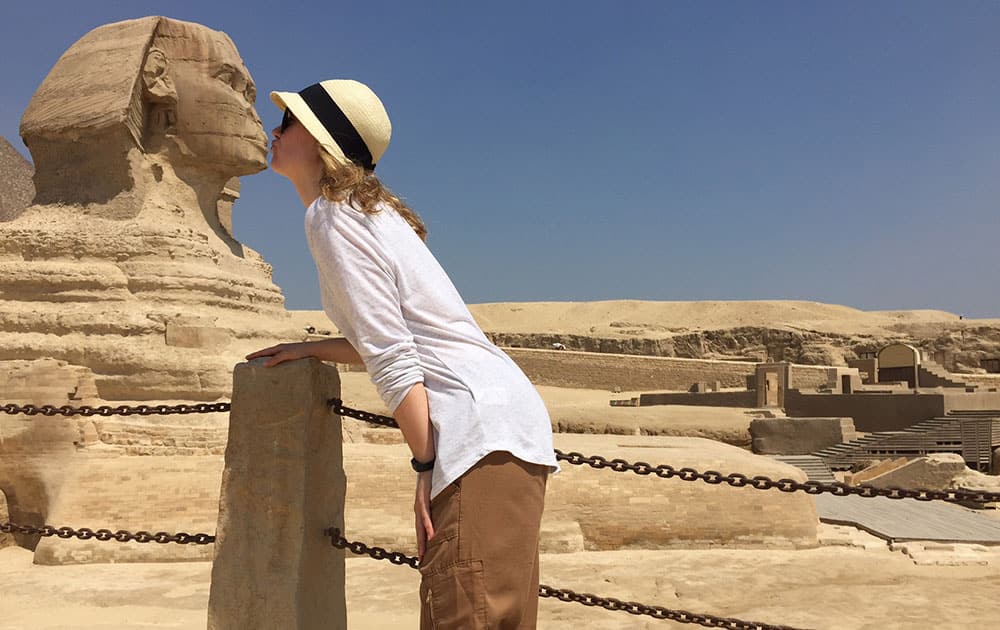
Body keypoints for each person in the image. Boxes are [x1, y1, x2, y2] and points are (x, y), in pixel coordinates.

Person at [246, 79, 558, 629]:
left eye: (289, 121)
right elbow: (402, 338)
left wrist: (426, 466)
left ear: (321, 140)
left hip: (473, 433)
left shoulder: (332, 217)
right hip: (510, 422)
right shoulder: (373, 216)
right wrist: (309, 347)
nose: (275, 129)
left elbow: (393, 356)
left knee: (463, 613)